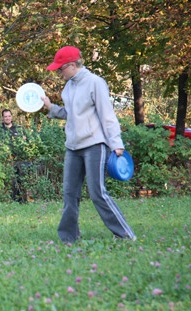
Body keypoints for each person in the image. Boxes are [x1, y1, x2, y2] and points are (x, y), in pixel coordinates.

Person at [41, 45, 136, 243]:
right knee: (69, 193)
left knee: (97, 193)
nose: (59, 72)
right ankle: (68, 238)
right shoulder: (69, 87)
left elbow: (106, 114)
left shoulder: (95, 83)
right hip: (73, 147)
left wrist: (116, 143)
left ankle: (126, 235)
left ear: (73, 65)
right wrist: (51, 108)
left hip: (94, 145)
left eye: (61, 68)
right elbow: (70, 114)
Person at [0, 109, 29, 201]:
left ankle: (22, 200)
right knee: (9, 182)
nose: (7, 118)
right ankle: (9, 199)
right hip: (5, 161)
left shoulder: (19, 129)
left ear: (11, 117)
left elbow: (27, 143)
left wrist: (24, 139)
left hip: (19, 160)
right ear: (2, 118)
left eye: (9, 116)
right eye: (5, 116)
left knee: (20, 181)